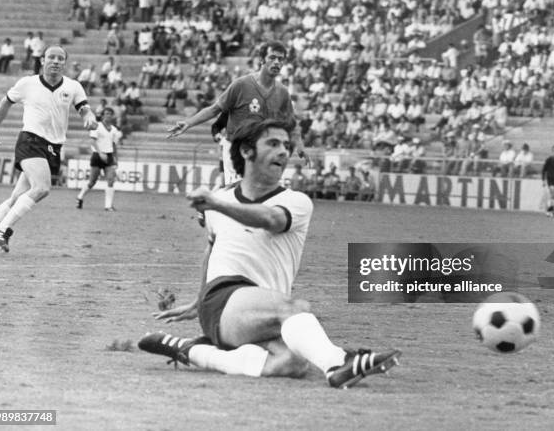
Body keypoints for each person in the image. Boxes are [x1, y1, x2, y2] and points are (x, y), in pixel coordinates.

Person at [138, 119, 400, 388]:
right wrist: (198, 300)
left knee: (293, 362)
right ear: (246, 151)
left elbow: (269, 219)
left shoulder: (296, 202)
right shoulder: (220, 199)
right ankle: (338, 363)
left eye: (286, 145)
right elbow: (212, 247)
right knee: (296, 309)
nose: (284, 151)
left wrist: (216, 204)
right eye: (273, 144)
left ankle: (191, 350)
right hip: (223, 299)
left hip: (262, 314)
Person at [0, 45, 98, 252]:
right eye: (51, 57)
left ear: (64, 63)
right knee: (42, 188)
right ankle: (3, 228)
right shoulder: (27, 84)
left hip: (54, 147)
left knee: (16, 197)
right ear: (42, 61)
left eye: (60, 58)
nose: (56, 61)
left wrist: (89, 116)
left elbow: (83, 107)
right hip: (31, 140)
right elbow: (5, 102)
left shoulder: (73, 86)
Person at [167, 40, 307, 184]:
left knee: (259, 198)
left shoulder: (282, 92)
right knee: (239, 194)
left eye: (281, 59)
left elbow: (292, 122)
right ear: (261, 59)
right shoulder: (241, 85)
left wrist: (300, 145)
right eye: (272, 57)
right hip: (236, 149)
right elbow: (214, 109)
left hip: (261, 150)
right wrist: (188, 123)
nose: (277, 62)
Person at [76, 107, 121, 211]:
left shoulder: (114, 130)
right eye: (106, 113)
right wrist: (100, 153)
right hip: (97, 155)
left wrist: (115, 158)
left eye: (110, 113)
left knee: (111, 179)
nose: (108, 115)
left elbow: (114, 145)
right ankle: (80, 197)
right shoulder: (97, 126)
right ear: (103, 115)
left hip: (109, 156)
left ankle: (108, 206)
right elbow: (92, 141)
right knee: (92, 181)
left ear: (113, 116)